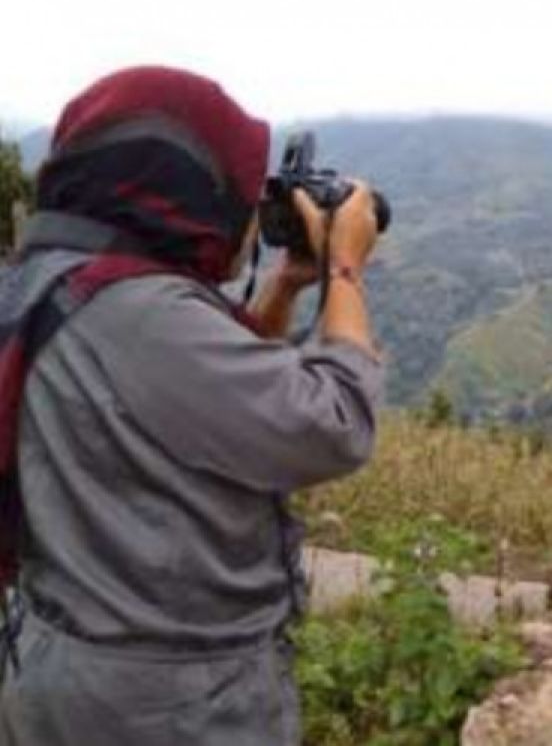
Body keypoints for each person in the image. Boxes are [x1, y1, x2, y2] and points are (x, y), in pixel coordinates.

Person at [0, 66, 383, 745]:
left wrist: (287, 286)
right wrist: (345, 271)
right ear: (187, 185)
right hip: (170, 705)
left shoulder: (57, 280)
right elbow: (336, 425)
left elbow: (202, 391)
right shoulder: (141, 313)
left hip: (68, 664)